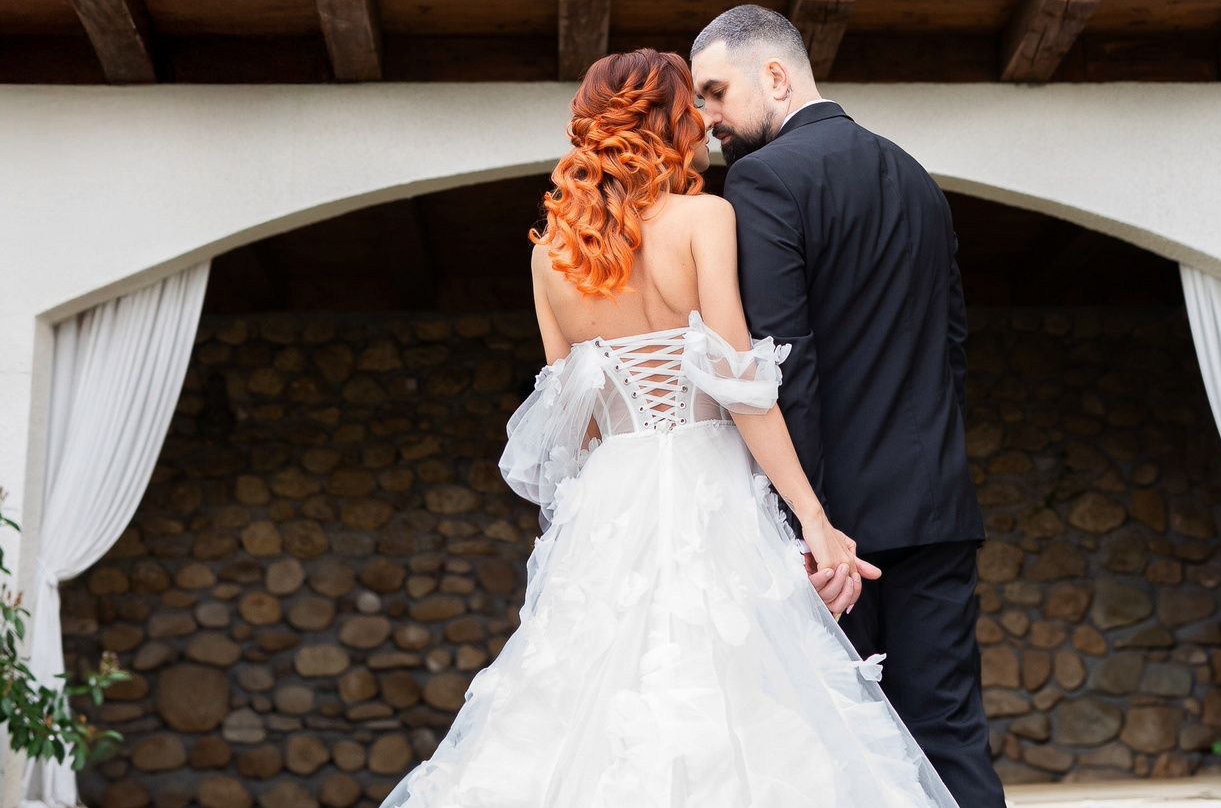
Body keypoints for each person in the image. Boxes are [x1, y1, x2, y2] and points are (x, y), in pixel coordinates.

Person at [385, 48, 956, 808]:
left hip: (611, 503)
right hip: (712, 487)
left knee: (588, 702)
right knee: (743, 696)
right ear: (669, 123)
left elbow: (574, 423)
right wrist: (816, 521)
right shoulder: (705, 220)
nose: (706, 126)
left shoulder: (551, 257)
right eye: (695, 109)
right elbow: (743, 388)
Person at [688, 6, 1001, 808]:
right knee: (952, 738)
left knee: (842, 748)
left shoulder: (763, 179)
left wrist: (808, 523)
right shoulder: (914, 174)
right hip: (938, 507)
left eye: (717, 92)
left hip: (840, 536)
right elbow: (953, 345)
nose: (708, 117)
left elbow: (786, 365)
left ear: (778, 76)